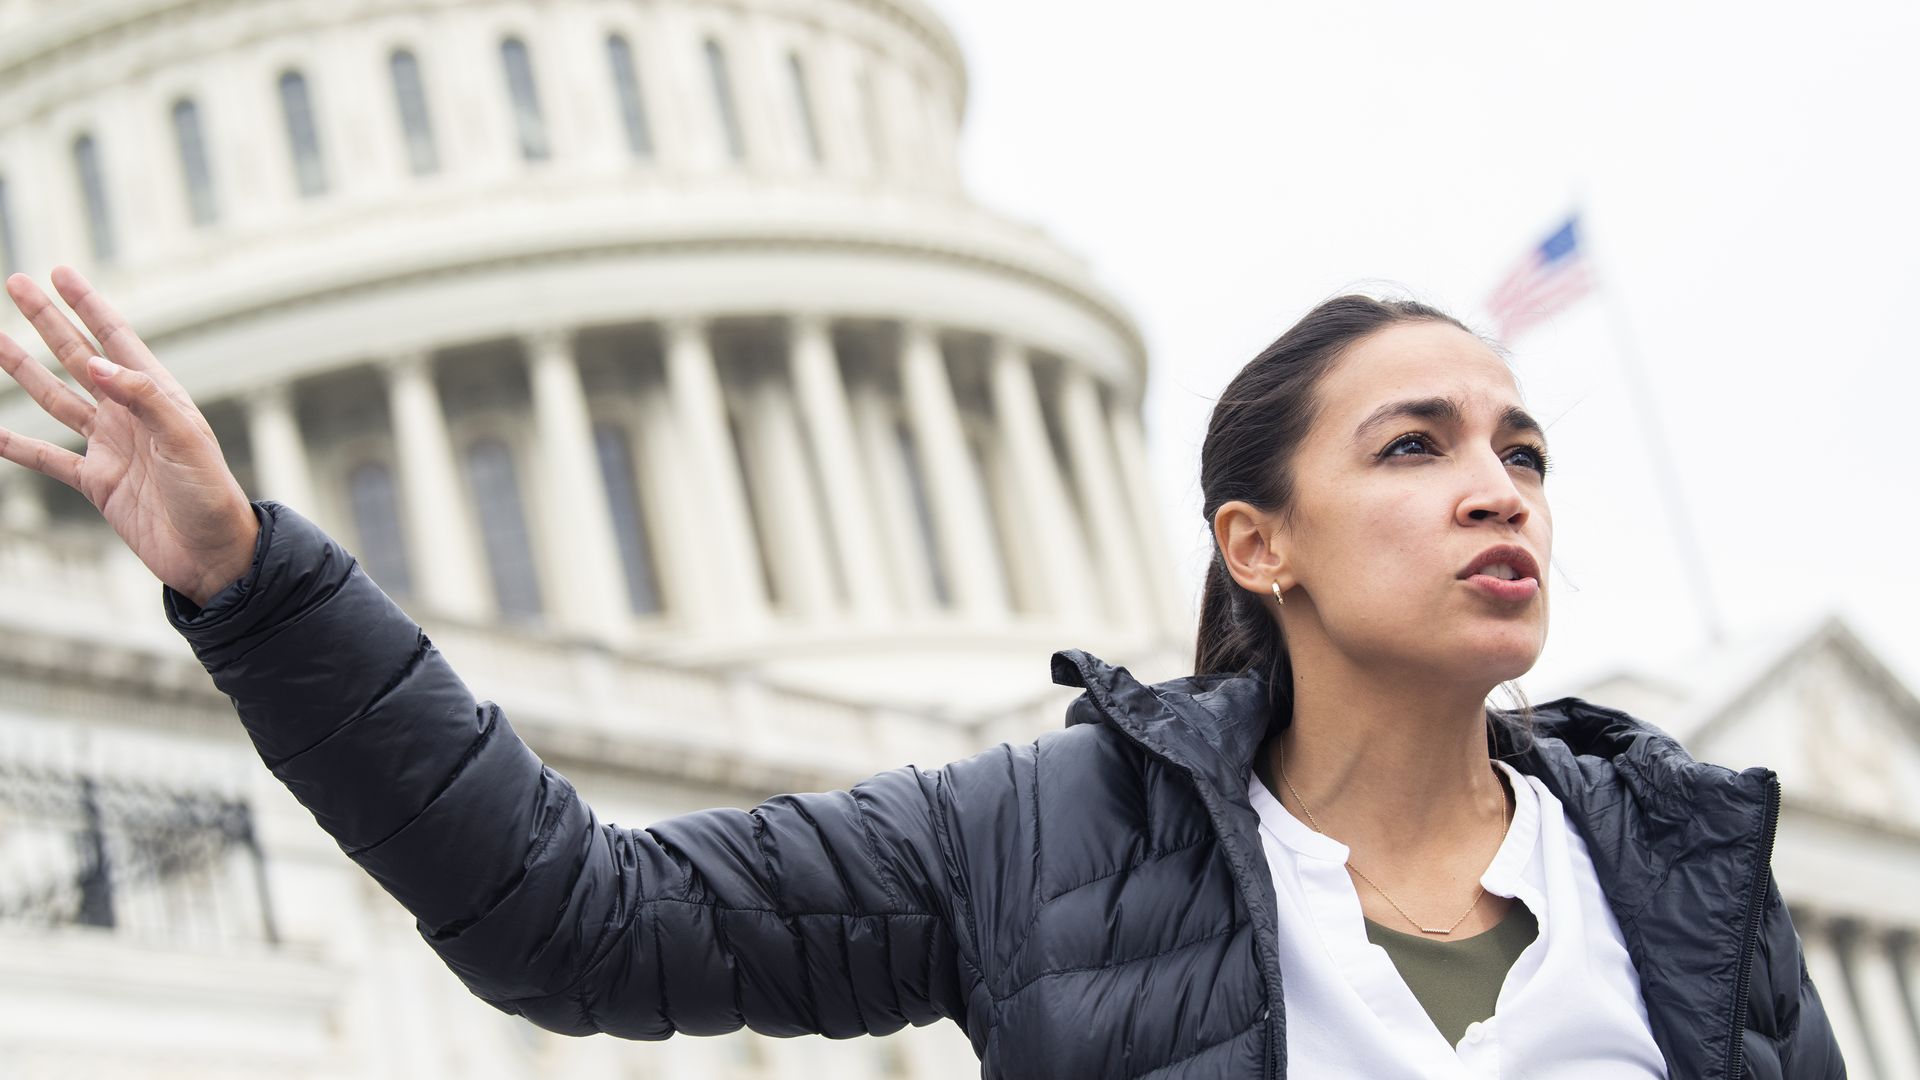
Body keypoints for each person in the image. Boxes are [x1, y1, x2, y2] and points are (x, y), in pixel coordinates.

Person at [0, 266, 1845, 1079]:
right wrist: (251, 583)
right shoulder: (1036, 843)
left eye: (1521, 452)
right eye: (1414, 447)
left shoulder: (1681, 868)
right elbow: (580, 919)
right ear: (1252, 545)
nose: (1493, 491)